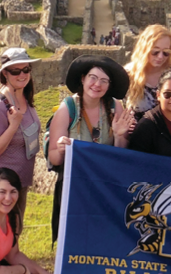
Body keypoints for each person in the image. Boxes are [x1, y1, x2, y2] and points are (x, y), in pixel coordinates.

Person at [47, 55, 133, 241]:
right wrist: (61, 150)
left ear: (109, 85)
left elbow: (122, 155)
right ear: (83, 79)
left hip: (105, 187)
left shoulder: (114, 108)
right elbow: (53, 157)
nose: (97, 84)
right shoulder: (67, 109)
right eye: (93, 78)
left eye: (104, 80)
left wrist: (119, 135)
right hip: (75, 187)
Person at [0, 48, 41, 235]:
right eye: (15, 71)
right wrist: (13, 126)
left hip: (19, 182)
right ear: (5, 73)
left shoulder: (26, 100)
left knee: (12, 236)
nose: (22, 75)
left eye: (26, 70)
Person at [123, 24, 171, 121]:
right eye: (155, 51)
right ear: (144, 49)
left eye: (166, 52)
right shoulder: (128, 74)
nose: (160, 57)